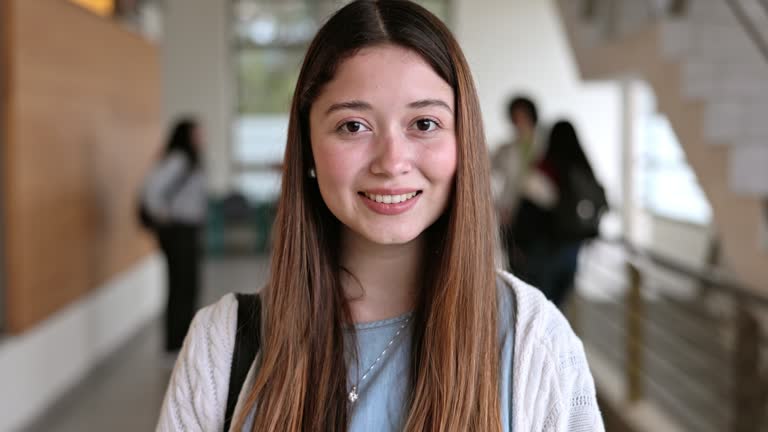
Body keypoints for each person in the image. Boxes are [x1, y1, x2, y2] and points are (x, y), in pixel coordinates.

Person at [157, 1, 603, 431]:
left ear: (462, 141)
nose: (392, 162)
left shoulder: (535, 343)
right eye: (353, 126)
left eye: (424, 124)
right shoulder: (221, 346)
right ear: (308, 148)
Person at [511, 120, 605, 307]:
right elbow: (600, 202)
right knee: (559, 307)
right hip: (573, 248)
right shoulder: (584, 168)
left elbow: (526, 213)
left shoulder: (545, 168)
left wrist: (515, 244)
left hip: (544, 250)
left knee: (537, 306)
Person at [142, 117, 206, 353]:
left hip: (189, 230)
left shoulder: (191, 161)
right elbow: (151, 191)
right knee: (179, 287)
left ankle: (184, 340)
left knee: (188, 286)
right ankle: (174, 344)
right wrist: (164, 215)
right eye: (197, 134)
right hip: (178, 231)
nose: (202, 139)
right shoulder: (178, 160)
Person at [491, 96, 547, 270]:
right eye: (514, 116)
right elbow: (489, 175)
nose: (518, 120)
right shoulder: (505, 149)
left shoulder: (546, 145)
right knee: (517, 263)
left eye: (522, 115)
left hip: (539, 214)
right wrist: (499, 207)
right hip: (511, 212)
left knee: (538, 263)